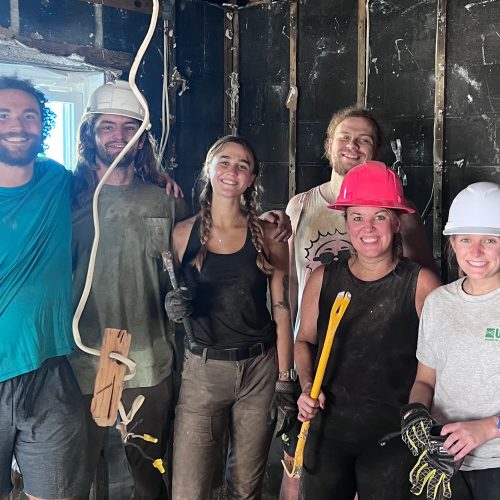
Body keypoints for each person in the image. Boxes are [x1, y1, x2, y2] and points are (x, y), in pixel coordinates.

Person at [281, 106, 437, 499]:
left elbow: (434, 366)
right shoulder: (323, 278)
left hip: (392, 436)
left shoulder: (421, 285)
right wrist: (303, 386)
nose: (367, 229)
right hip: (328, 430)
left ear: (397, 221)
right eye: (357, 217)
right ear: (345, 221)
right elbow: (305, 341)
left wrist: (419, 420)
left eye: (380, 217)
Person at [70, 80, 191, 500]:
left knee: (148, 474)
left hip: (148, 360)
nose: (118, 136)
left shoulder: (166, 201)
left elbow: (187, 270)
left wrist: (183, 300)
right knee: (75, 476)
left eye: (129, 128)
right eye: (107, 127)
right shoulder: (66, 197)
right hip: (79, 361)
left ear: (141, 140)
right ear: (90, 133)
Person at [166, 135, 295, 499]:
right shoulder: (182, 234)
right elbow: (174, 295)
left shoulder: (270, 234)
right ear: (209, 168)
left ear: (252, 178)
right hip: (203, 371)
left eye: (243, 165)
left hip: (259, 369)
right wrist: (171, 304)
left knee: (246, 487)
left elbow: (282, 310)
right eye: (224, 161)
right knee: (189, 490)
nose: (232, 170)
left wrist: (286, 380)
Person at [0, 76, 89, 499]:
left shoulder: (57, 179)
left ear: (43, 125)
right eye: (3, 115)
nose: (17, 125)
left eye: (29, 115)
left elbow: (113, 172)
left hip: (48, 370)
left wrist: (160, 177)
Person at [402, 182, 500, 500]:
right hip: (444, 462)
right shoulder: (439, 303)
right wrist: (416, 412)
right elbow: (425, 380)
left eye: (489, 240)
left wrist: (487, 428)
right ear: (452, 243)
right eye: (466, 239)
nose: (475, 252)